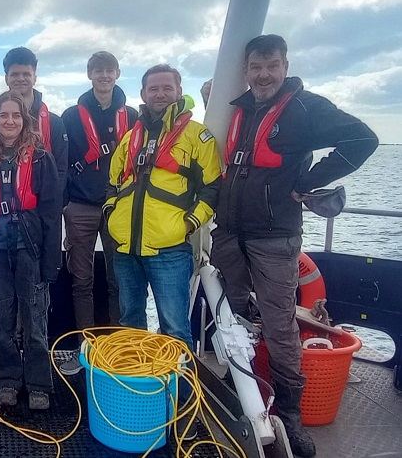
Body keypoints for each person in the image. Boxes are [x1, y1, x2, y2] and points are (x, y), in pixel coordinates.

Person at [211, 34, 378, 458]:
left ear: (285, 66)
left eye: (271, 65)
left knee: (279, 322)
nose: (263, 74)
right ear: (246, 71)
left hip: (274, 236)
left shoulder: (306, 107)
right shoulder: (240, 110)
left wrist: (307, 182)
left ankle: (290, 411)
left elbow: (362, 140)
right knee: (231, 309)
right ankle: (242, 379)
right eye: (256, 67)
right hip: (229, 233)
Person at [106, 64, 221, 353]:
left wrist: (190, 223)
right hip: (126, 250)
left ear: (179, 92)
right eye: (153, 89)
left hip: (170, 249)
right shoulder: (130, 136)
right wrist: (111, 217)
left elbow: (212, 187)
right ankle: (138, 391)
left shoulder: (198, 136)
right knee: (130, 322)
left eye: (166, 88)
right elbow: (111, 184)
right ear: (143, 93)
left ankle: (180, 395)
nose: (160, 94)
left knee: (174, 327)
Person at [0, 92, 60, 410]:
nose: (9, 121)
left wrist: (52, 261)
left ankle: (38, 383)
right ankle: (8, 379)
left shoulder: (40, 158)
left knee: (35, 322)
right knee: (2, 319)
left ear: (25, 121)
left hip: (29, 248)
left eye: (16, 116)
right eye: (3, 115)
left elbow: (51, 212)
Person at [58, 51, 138, 376]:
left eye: (109, 70)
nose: (104, 75)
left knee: (119, 279)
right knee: (81, 280)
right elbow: (61, 161)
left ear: (117, 73)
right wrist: (63, 202)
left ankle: (118, 349)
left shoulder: (132, 116)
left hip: (118, 205)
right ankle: (84, 348)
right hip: (80, 205)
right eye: (98, 70)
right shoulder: (70, 115)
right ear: (89, 74)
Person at [0, 47, 68, 189]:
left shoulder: (55, 123)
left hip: (41, 205)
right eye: (15, 74)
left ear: (35, 78)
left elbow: (61, 171)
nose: (20, 79)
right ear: (6, 79)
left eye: (26, 74)